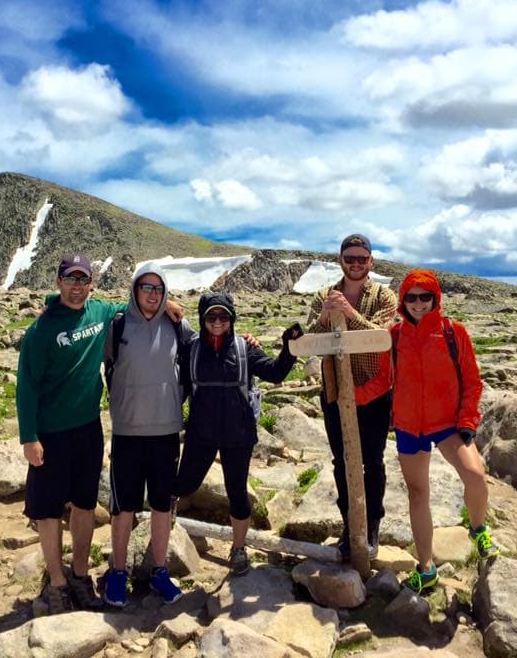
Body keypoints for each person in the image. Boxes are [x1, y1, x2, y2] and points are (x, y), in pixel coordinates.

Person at [16, 254, 183, 614]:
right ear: (59, 282)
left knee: (85, 504)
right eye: (70, 279)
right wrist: (29, 436)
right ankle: (58, 583)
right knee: (47, 510)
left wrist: (167, 301)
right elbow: (26, 386)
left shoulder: (103, 314)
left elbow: (137, 304)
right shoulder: (41, 330)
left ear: (92, 284)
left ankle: (79, 575)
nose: (77, 287)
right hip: (50, 431)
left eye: (83, 280)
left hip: (89, 428)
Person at [356, 268, 500, 594]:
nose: (418, 303)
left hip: (449, 424)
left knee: (475, 475)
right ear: (403, 300)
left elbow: (472, 381)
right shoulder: (394, 336)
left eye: (425, 297)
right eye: (412, 297)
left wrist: (467, 420)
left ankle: (478, 528)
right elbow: (382, 381)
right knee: (418, 494)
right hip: (409, 426)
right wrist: (351, 397)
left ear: (435, 299)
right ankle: (426, 567)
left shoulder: (453, 332)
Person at [175, 292, 300, 575]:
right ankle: (163, 528)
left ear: (232, 319)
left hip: (238, 435)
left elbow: (275, 372)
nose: (217, 322)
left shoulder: (245, 349)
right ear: (202, 319)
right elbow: (177, 386)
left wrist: (289, 347)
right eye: (211, 316)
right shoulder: (191, 349)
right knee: (183, 484)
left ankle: (238, 548)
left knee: (237, 492)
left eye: (223, 316)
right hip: (201, 433)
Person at [102, 263, 195, 608]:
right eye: (147, 288)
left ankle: (159, 571)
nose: (153, 294)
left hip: (166, 431)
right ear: (135, 290)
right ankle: (117, 571)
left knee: (161, 506)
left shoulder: (178, 326)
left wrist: (246, 342)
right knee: (123, 506)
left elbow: (211, 344)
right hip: (127, 431)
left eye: (159, 289)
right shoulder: (118, 324)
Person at [306, 233, 398, 560]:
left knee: (372, 460)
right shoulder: (322, 296)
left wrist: (347, 312)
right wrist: (323, 316)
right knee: (341, 460)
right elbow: (311, 340)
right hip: (334, 390)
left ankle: (372, 524)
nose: (356, 264)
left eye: (362, 259)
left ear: (371, 262)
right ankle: (349, 524)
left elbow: (378, 336)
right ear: (340, 260)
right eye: (350, 258)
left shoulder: (385, 296)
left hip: (373, 391)